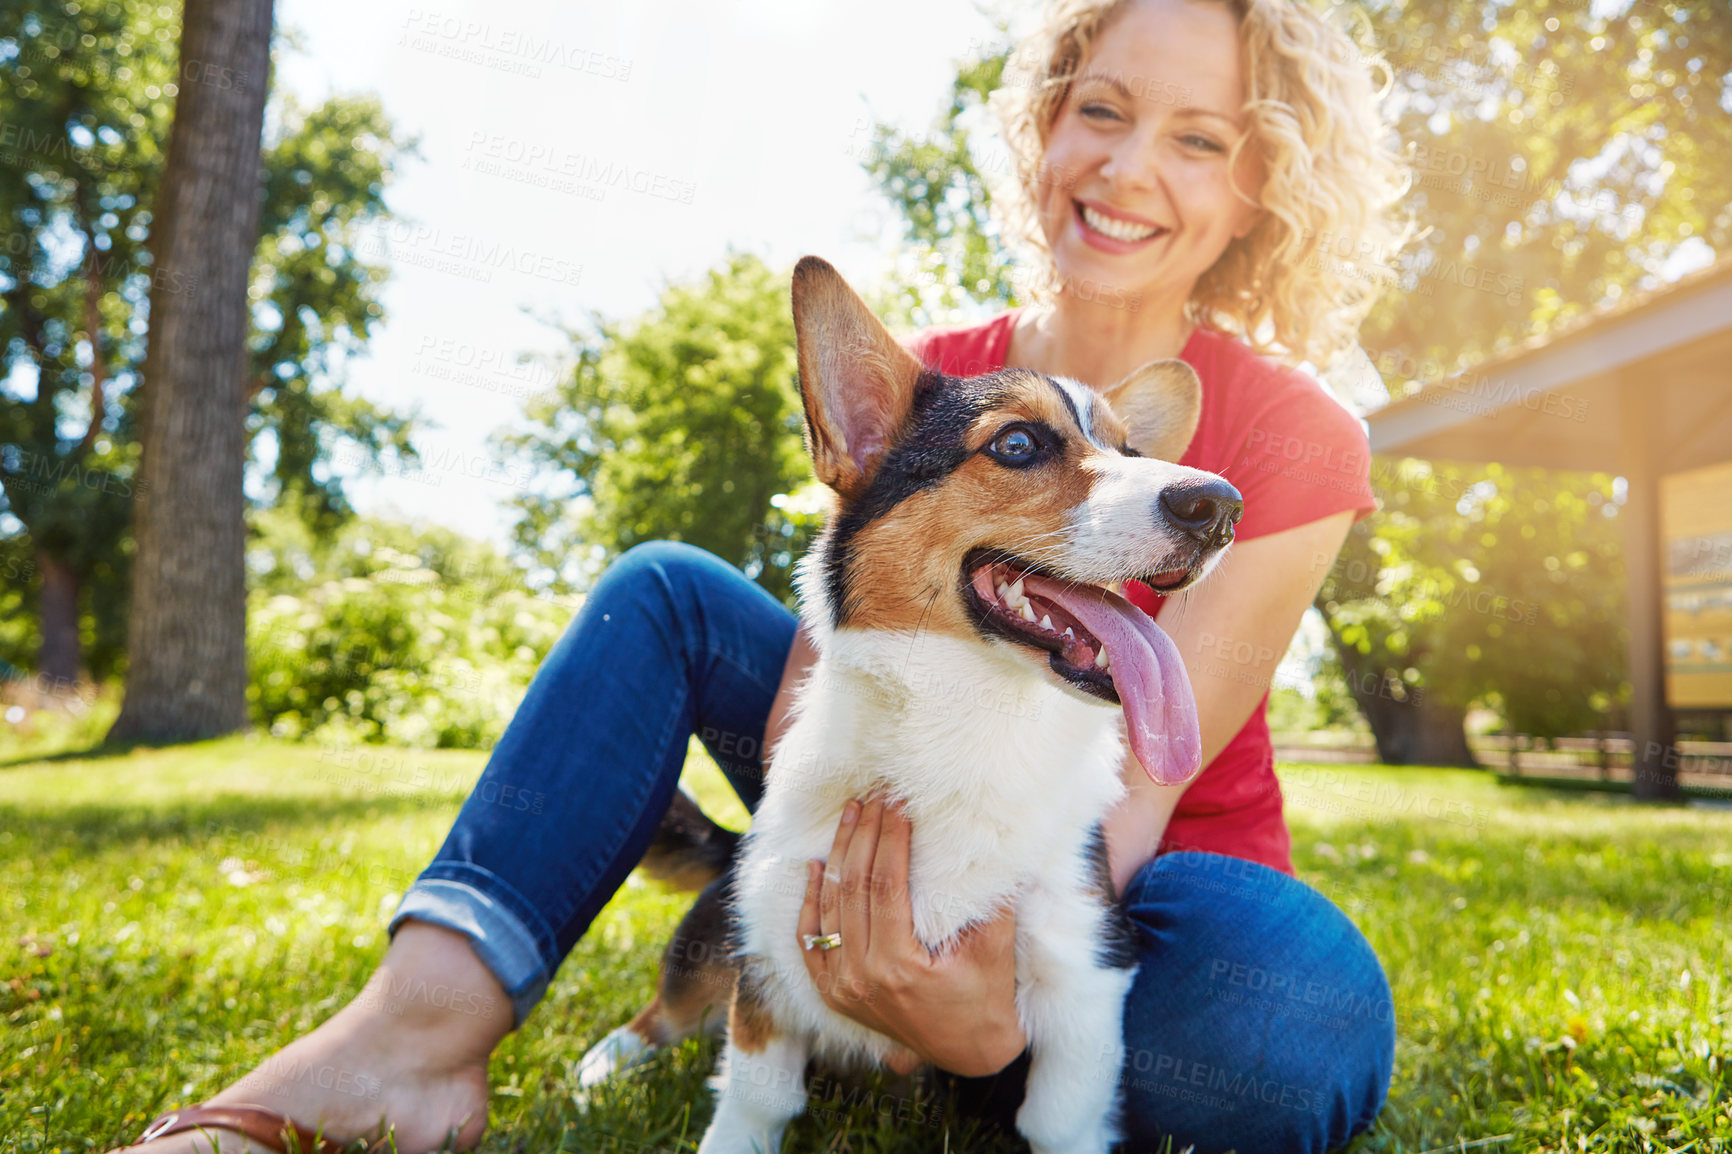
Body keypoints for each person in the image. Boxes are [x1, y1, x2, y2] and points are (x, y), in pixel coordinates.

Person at [117, 0, 1410, 1151]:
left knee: (1296, 1030)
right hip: (892, 763)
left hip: (1138, 866)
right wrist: (837, 894)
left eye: (1199, 138)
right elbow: (814, 693)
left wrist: (988, 987)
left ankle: (959, 1047)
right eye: (1104, 110)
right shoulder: (934, 376)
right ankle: (410, 1038)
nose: (1129, 167)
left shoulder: (1297, 432)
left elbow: (1139, 779)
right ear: (1048, 125)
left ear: (1262, 189)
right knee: (666, 587)